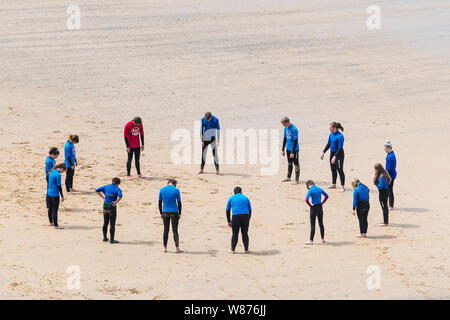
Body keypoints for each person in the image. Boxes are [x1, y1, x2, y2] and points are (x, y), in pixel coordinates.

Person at [96, 177, 123, 244]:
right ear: (118, 184)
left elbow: (97, 190)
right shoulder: (117, 189)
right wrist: (116, 202)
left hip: (105, 206)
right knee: (112, 224)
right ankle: (112, 239)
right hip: (112, 207)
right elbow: (120, 196)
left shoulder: (106, 186)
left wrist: (103, 197)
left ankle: (105, 238)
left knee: (105, 222)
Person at [158, 179, 182, 253]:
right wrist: (180, 213)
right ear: (174, 184)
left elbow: (159, 203)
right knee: (175, 230)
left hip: (165, 211)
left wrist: (161, 213)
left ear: (168, 183)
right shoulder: (176, 190)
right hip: (174, 212)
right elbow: (179, 203)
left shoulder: (162, 190)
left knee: (166, 230)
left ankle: (165, 248)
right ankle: (177, 248)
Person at [226, 187, 252, 254]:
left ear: (234, 192)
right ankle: (246, 250)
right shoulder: (246, 198)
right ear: (241, 191)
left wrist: (229, 221)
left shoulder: (231, 198)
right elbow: (250, 210)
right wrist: (248, 219)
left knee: (235, 234)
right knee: (245, 234)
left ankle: (232, 250)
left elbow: (227, 210)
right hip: (245, 216)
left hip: (235, 217)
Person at [321, 122, 345, 192]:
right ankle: (334, 184)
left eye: (330, 128)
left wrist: (335, 157)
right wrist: (323, 152)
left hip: (339, 155)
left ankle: (342, 186)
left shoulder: (340, 136)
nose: (329, 129)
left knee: (340, 170)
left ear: (334, 128)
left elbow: (340, 148)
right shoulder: (331, 135)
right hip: (332, 153)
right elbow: (328, 144)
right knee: (333, 169)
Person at [305, 180, 329, 244]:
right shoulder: (319, 188)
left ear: (308, 185)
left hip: (313, 208)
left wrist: (310, 205)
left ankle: (311, 241)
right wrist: (322, 203)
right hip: (320, 207)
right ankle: (323, 239)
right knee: (321, 224)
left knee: (313, 225)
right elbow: (326, 196)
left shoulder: (310, 190)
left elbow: (306, 199)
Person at [281, 117, 300, 184]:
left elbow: (295, 141)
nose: (283, 125)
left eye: (284, 124)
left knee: (296, 164)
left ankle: (297, 180)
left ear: (287, 122)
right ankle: (288, 177)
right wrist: (283, 149)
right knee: (289, 163)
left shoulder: (294, 129)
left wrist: (293, 152)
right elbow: (285, 139)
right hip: (288, 148)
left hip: (294, 149)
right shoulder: (285, 128)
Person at [47, 163, 66, 228]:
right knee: (55, 210)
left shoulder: (51, 171)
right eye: (63, 171)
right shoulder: (58, 175)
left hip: (49, 192)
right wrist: (62, 196)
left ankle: (51, 222)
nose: (62, 172)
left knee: (50, 208)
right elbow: (59, 186)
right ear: (62, 169)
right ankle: (56, 225)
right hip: (55, 194)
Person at [384, 141, 397, 210]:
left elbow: (388, 169)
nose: (384, 150)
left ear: (388, 148)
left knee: (390, 190)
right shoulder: (390, 154)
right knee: (389, 189)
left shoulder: (391, 156)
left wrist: (386, 176)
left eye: (385, 148)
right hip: (392, 174)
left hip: (390, 175)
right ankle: (390, 204)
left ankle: (391, 205)